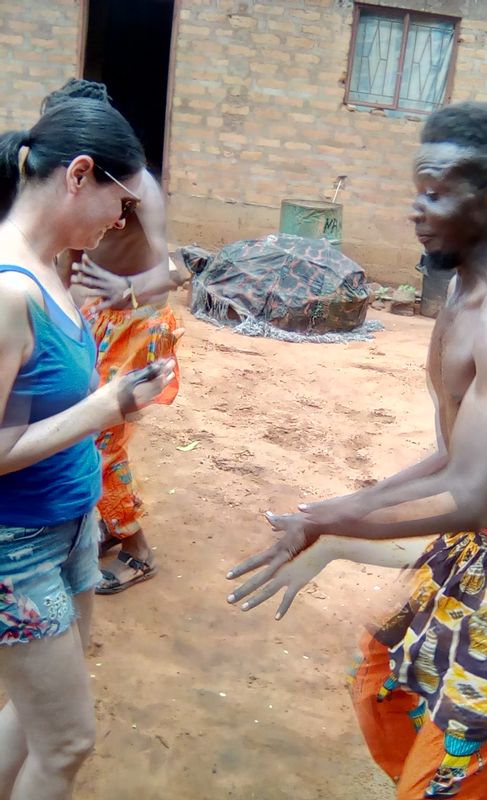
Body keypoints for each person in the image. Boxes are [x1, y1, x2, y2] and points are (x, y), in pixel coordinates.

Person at [227, 102, 487, 800]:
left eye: (435, 190)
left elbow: (469, 494)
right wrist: (329, 515)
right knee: (381, 687)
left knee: (445, 777)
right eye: (416, 189)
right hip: (478, 552)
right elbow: (452, 462)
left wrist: (332, 527)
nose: (416, 208)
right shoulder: (465, 290)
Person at [0, 99, 175, 800]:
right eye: (120, 200)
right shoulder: (11, 292)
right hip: (17, 547)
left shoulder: (56, 268)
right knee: (68, 740)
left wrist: (115, 395)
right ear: (78, 175)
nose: (124, 219)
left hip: (73, 521)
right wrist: (102, 408)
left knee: (33, 715)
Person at [43, 79, 183, 594]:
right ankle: (107, 527)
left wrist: (126, 289)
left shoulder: (137, 184)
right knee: (83, 427)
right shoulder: (70, 183)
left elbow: (176, 269)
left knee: (97, 434)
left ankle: (138, 548)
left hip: (139, 322)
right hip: (95, 321)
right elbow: (68, 263)